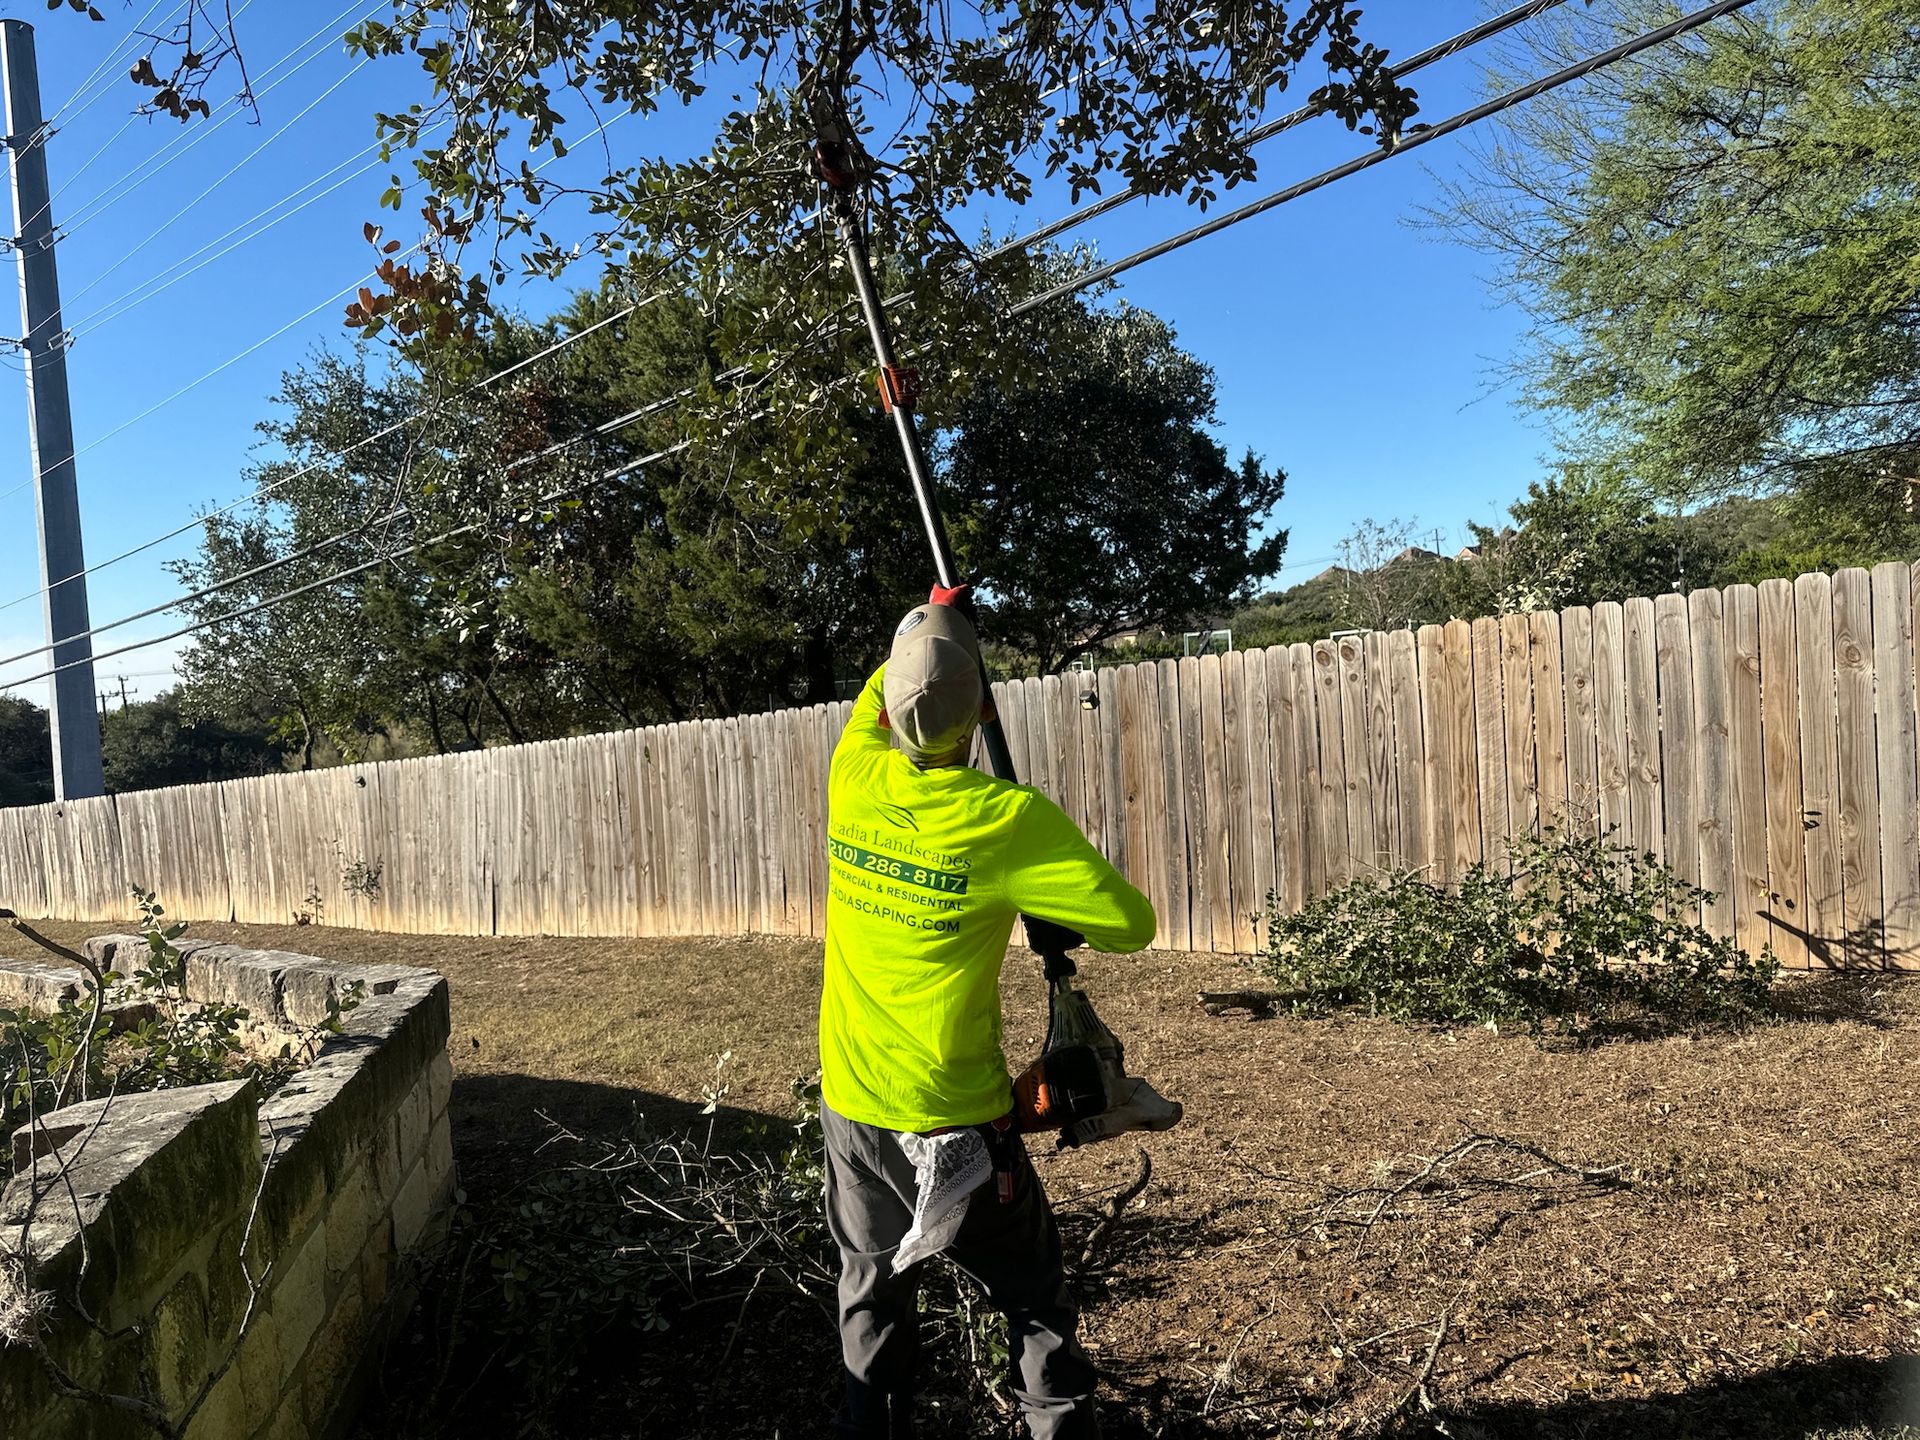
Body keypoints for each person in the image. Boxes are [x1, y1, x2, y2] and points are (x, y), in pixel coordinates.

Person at [819, 591, 1157, 1439]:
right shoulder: (1009, 821)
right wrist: (1046, 898)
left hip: (853, 1109)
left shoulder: (852, 775)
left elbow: (885, 695)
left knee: (871, 1294)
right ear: (980, 710)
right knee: (1034, 1302)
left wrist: (924, 624)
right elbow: (1131, 926)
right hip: (958, 1128)